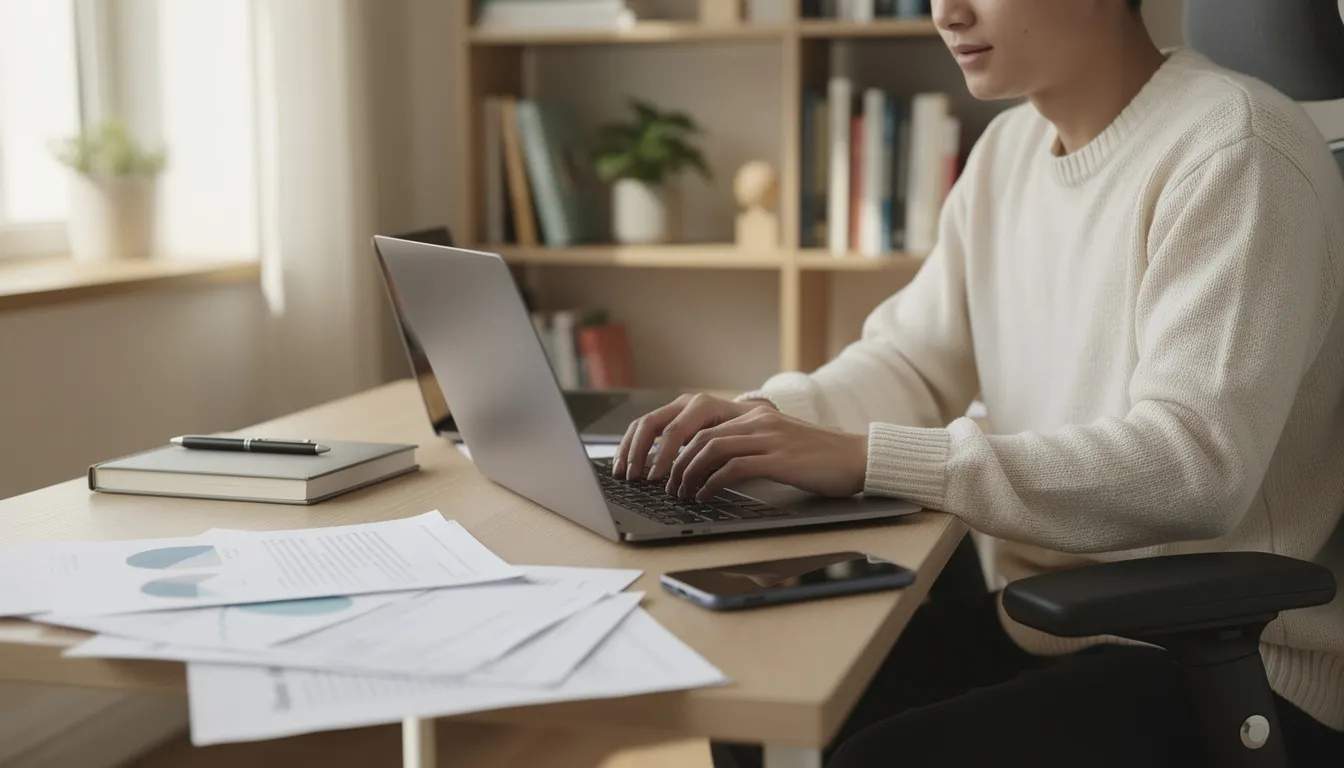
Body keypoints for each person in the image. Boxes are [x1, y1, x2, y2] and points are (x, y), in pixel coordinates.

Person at [613, 0, 1344, 765]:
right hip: (1051, 621)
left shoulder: (1236, 150)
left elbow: (1196, 466)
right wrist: (758, 424)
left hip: (1225, 664)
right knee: (760, 701)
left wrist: (871, 458)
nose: (945, 13)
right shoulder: (1009, 150)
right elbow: (912, 361)